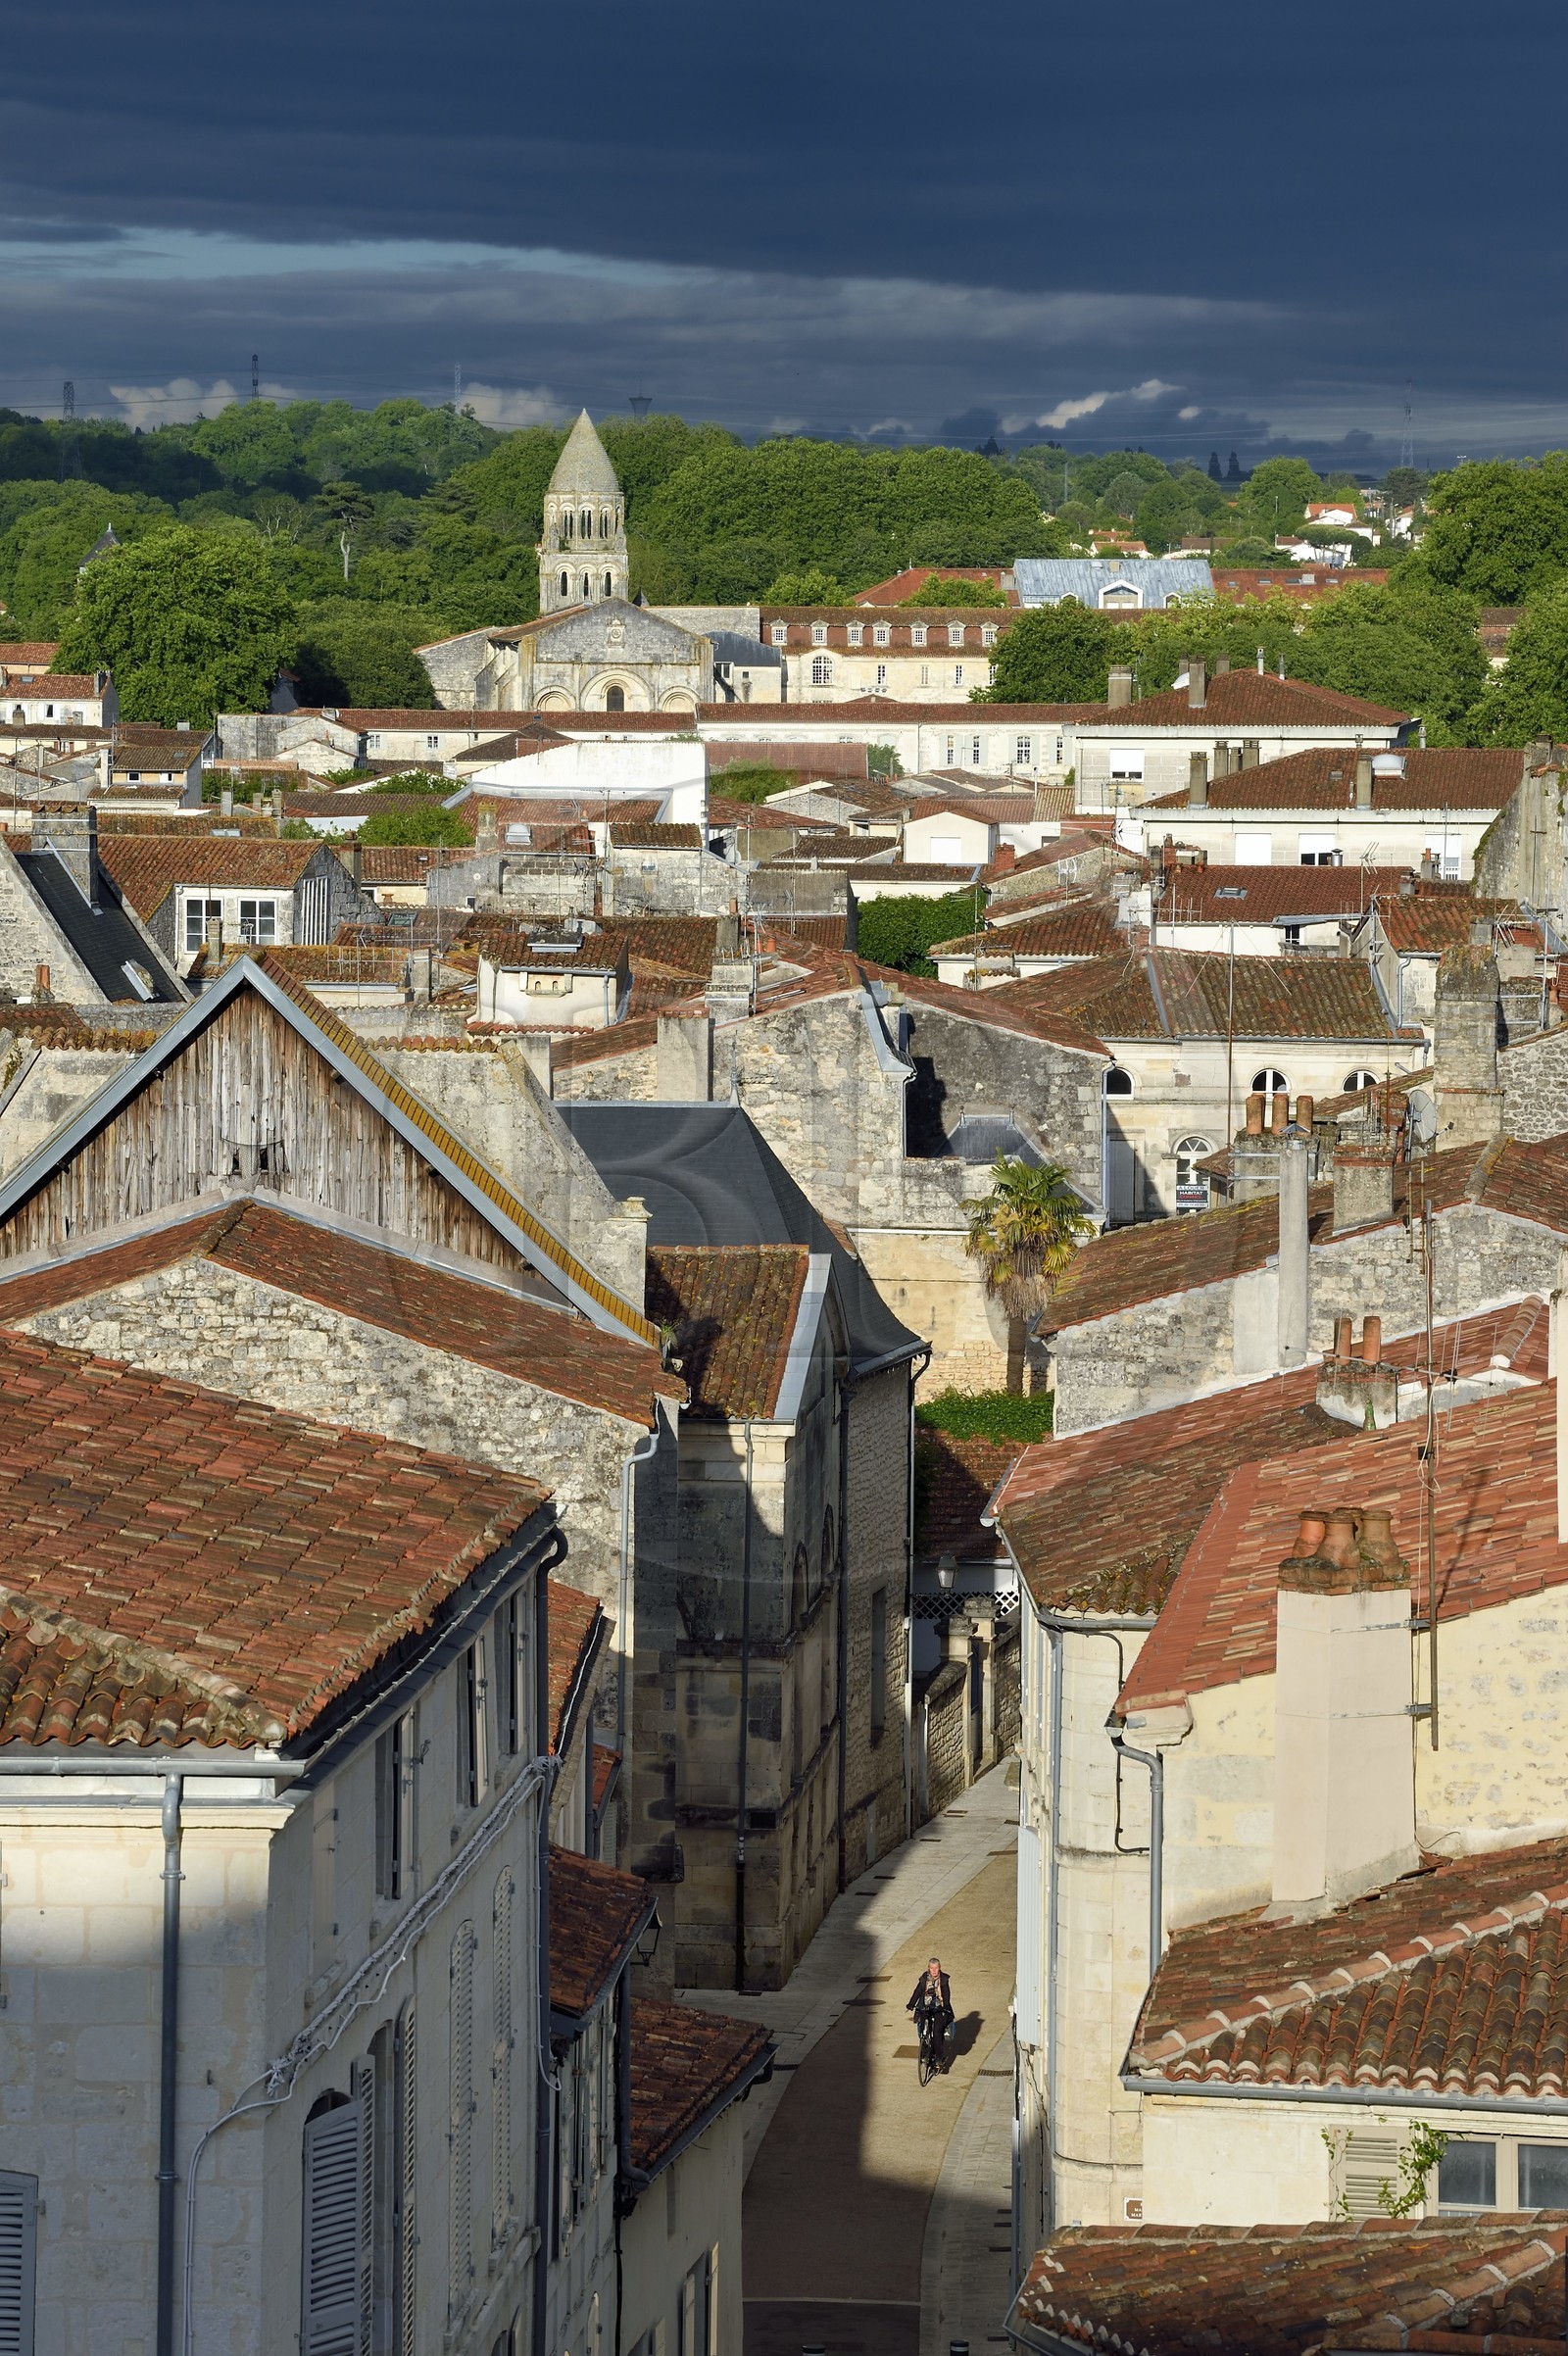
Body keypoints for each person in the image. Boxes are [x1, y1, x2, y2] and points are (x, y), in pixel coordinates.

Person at [906, 1956, 954, 2065]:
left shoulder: (944, 1980)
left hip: (939, 2008)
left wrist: (945, 2006)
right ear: (928, 1968)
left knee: (937, 2031)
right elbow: (917, 1992)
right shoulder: (924, 1979)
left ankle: (938, 2057)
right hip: (925, 2007)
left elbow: (946, 1994)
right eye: (932, 1968)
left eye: (936, 1968)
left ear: (939, 1968)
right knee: (923, 2030)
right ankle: (924, 2051)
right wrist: (911, 2004)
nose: (934, 1970)